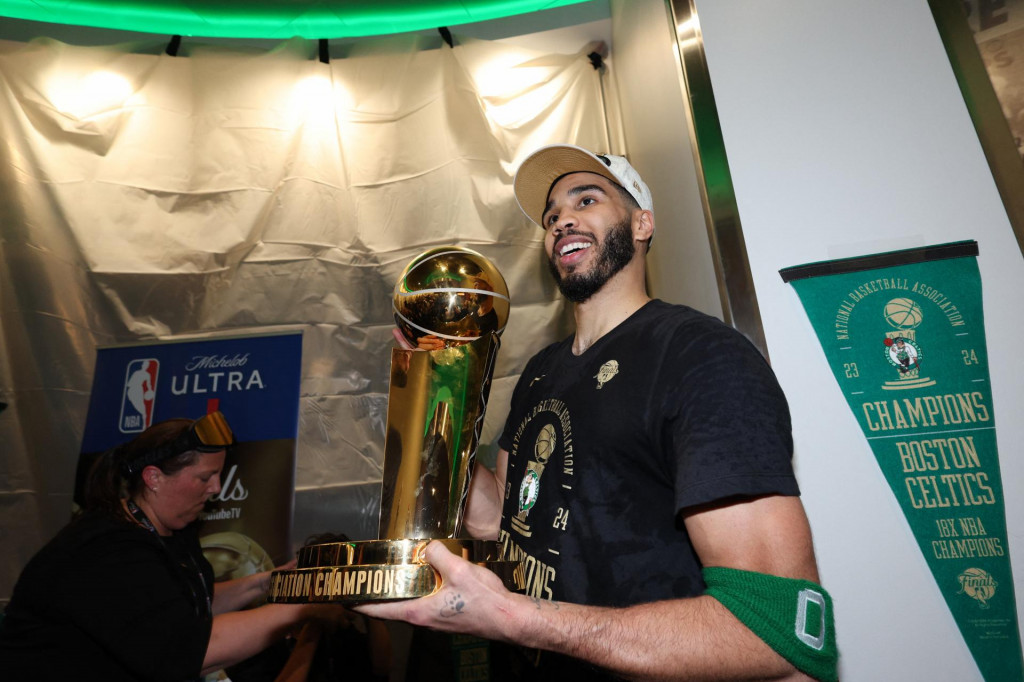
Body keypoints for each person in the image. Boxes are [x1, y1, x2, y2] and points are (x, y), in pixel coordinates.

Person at [358, 144, 838, 681]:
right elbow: (500, 521)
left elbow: (774, 628)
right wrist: (440, 386)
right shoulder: (543, 370)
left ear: (641, 223)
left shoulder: (699, 356)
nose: (562, 219)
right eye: (551, 216)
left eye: (587, 199)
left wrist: (518, 620)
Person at [0, 411, 338, 681]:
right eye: (205, 477)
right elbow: (192, 649)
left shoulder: (171, 531)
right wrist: (305, 609)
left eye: (219, 475)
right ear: (153, 478)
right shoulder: (107, 551)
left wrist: (270, 582)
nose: (217, 488)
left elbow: (185, 602)